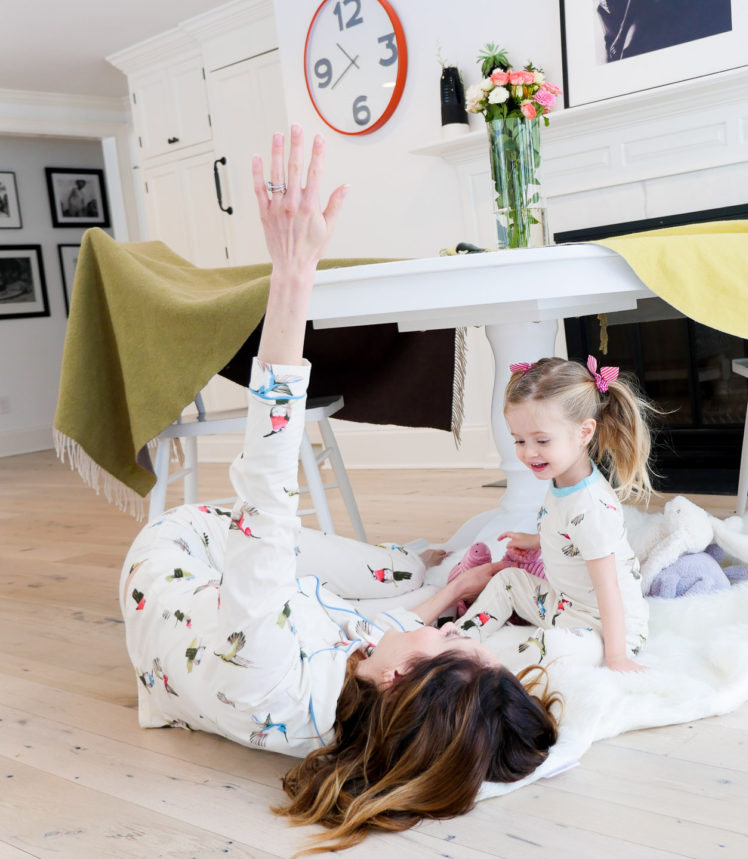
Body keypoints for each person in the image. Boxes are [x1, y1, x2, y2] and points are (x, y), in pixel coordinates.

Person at [118, 125, 559, 853]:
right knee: (409, 582)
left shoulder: (268, 665)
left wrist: (292, 274)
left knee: (390, 570)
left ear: (397, 676)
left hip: (187, 546)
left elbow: (266, 483)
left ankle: (423, 563)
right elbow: (376, 631)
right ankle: (436, 566)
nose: (456, 630)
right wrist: (457, 589)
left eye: (452, 640)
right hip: (260, 620)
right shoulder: (364, 710)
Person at [454, 355, 655, 672]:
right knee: (508, 580)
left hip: (605, 628)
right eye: (519, 440)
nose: (528, 452)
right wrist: (536, 541)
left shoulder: (591, 507)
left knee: (547, 651)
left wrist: (617, 657)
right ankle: (457, 640)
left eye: (541, 440)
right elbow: (566, 533)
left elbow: (608, 589)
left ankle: (492, 667)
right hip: (564, 604)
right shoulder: (563, 479)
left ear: (584, 433)